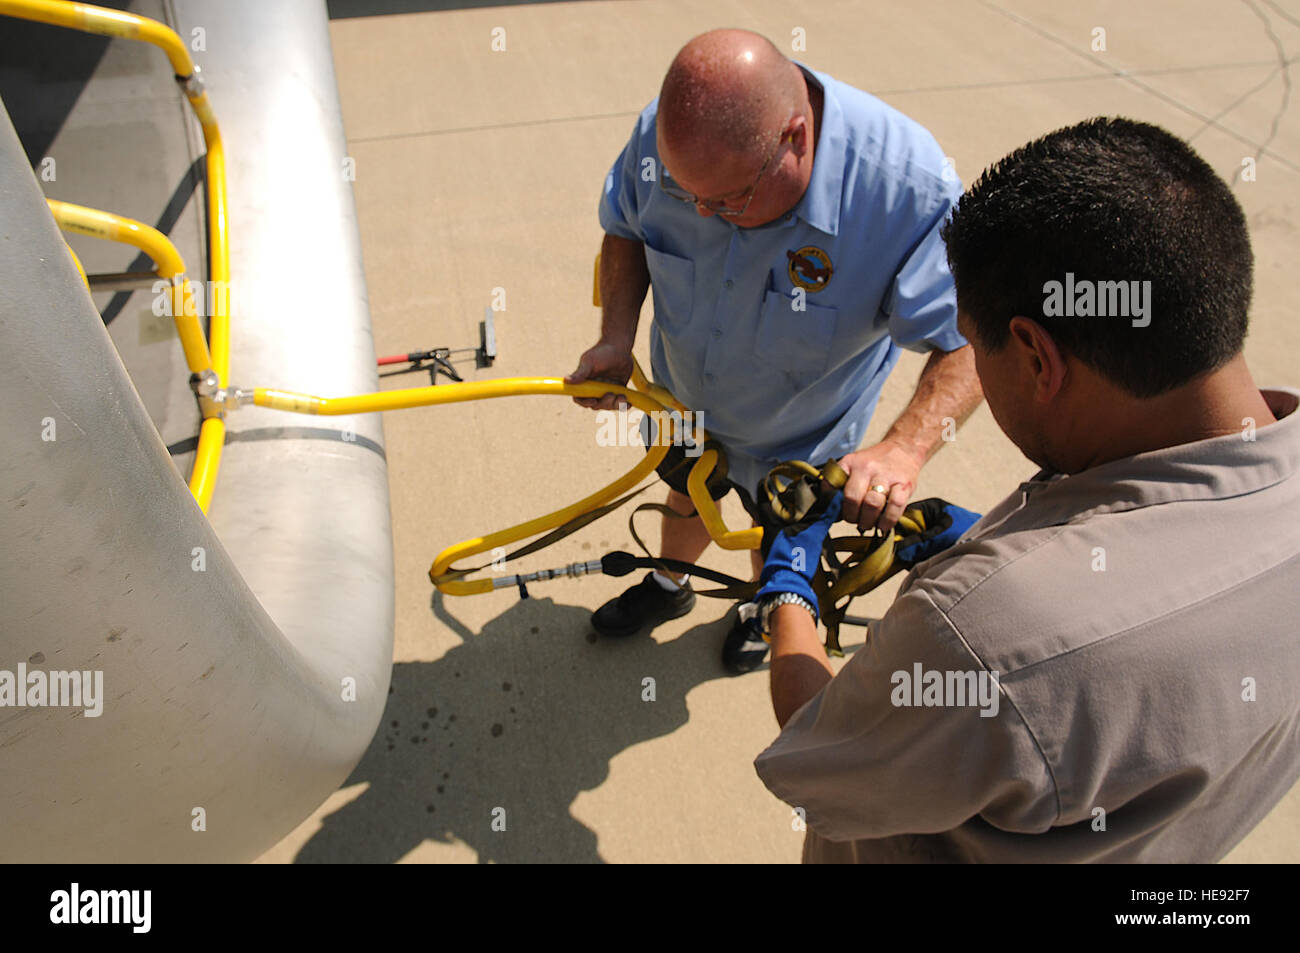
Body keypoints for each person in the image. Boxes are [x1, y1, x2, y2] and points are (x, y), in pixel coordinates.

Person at [752, 116, 1300, 862]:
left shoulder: (985, 635)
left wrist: (788, 590)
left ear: (1039, 358)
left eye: (977, 349)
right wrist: (1023, 541)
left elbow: (820, 749)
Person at [568, 29, 982, 673]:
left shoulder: (907, 190)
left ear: (796, 137)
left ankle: (763, 609)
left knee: (777, 545)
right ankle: (671, 584)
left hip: (802, 440)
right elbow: (624, 227)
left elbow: (970, 341)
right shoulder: (669, 140)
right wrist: (616, 337)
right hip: (682, 409)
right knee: (687, 498)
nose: (702, 211)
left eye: (728, 200)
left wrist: (904, 448)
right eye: (688, 196)